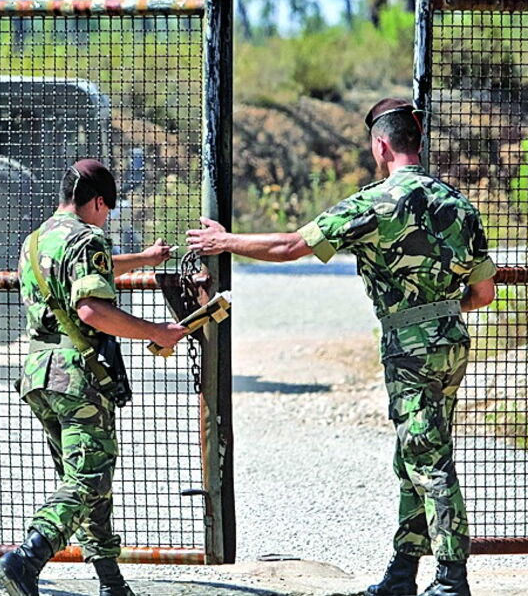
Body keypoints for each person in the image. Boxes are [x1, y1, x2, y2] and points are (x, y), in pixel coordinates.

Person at [187, 98, 496, 596]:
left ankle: (451, 580)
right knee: (414, 454)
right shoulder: (458, 205)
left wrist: (226, 243)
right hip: (450, 342)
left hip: (409, 346)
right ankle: (402, 575)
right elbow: (482, 294)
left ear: (380, 145)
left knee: (427, 460)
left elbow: (291, 247)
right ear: (415, 143)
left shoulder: (374, 204)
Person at [0, 159, 188, 596]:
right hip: (78, 377)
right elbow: (91, 308)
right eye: (107, 210)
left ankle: (112, 583)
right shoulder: (88, 237)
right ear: (98, 202)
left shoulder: (37, 239)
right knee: (89, 479)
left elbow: (83, 275)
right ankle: (26, 557)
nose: (106, 218)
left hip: (40, 375)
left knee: (85, 480)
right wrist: (158, 332)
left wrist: (143, 260)